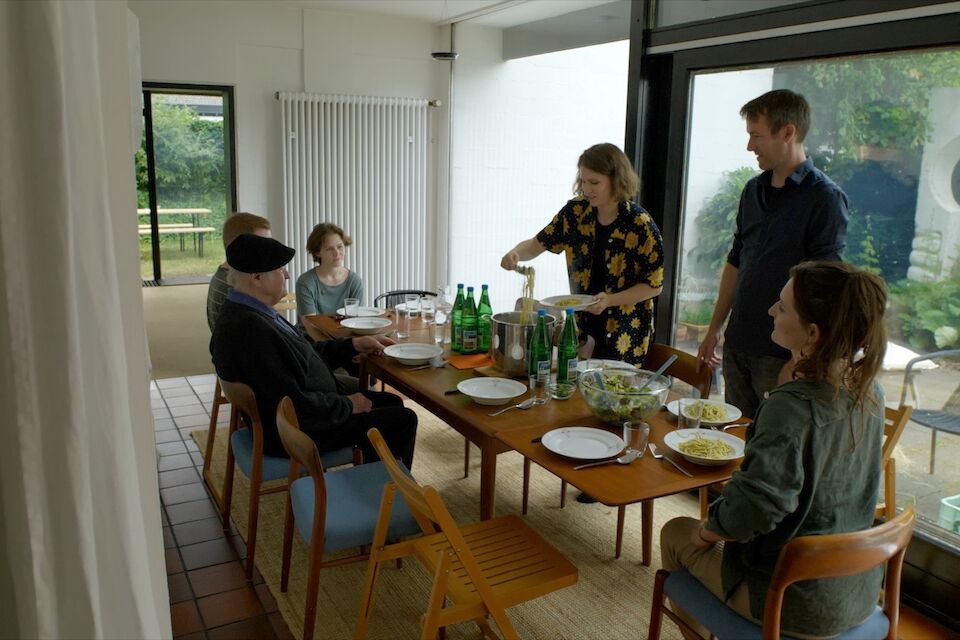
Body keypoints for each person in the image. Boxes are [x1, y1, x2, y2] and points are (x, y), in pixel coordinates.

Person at [661, 261, 888, 639]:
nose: (770, 311)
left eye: (781, 307)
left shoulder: (793, 407)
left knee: (676, 532)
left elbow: (757, 508)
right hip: (858, 591)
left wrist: (708, 531)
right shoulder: (869, 392)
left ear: (812, 334)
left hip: (796, 602)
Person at [696, 89, 849, 420]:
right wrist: (714, 330)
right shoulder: (752, 190)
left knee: (774, 446)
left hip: (781, 353)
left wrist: (798, 362)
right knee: (735, 441)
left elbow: (824, 291)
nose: (750, 146)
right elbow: (736, 262)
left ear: (788, 132)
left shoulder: (825, 199)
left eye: (756, 136)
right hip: (738, 342)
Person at [210, 233, 417, 468]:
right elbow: (291, 403)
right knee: (403, 419)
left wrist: (354, 344)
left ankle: (372, 479)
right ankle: (384, 493)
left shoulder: (250, 311)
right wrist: (349, 405)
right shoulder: (250, 330)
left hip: (306, 415)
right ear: (257, 278)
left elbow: (304, 352)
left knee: (390, 402)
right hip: (299, 430)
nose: (286, 274)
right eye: (280, 270)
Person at [500, 142, 664, 365]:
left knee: (613, 394)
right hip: (581, 327)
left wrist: (610, 300)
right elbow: (537, 244)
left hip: (625, 332)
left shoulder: (640, 224)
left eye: (594, 182)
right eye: (583, 181)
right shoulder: (576, 213)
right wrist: (515, 253)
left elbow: (654, 285)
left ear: (617, 180)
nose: (587, 189)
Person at [206, 212, 271, 331]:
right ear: (239, 246)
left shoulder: (224, 275)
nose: (269, 250)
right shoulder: (233, 287)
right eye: (262, 244)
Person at [295, 222, 364, 320]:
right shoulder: (306, 282)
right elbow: (311, 326)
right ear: (317, 252)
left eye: (340, 247)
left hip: (347, 335)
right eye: (329, 249)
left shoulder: (355, 281)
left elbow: (357, 322)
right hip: (310, 335)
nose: (337, 253)